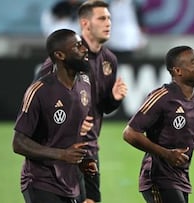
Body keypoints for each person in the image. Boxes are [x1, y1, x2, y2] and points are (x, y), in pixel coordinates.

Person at [36, 1, 128, 203]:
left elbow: (103, 107)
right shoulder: (67, 55)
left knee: (91, 200)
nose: (108, 23)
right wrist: (70, 120)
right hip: (61, 148)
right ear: (85, 24)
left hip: (89, 148)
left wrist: (114, 98)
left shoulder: (110, 60)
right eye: (102, 18)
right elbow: (37, 97)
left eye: (110, 18)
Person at [123, 45, 194, 203]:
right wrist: (166, 154)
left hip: (181, 178)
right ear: (178, 71)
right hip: (158, 177)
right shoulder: (162, 97)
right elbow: (130, 133)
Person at [12, 29, 93, 203]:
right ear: (60, 55)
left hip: (72, 180)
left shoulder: (85, 84)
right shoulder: (39, 91)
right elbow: (18, 143)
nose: (85, 49)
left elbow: (71, 131)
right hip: (41, 182)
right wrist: (62, 154)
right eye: (77, 46)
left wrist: (82, 159)